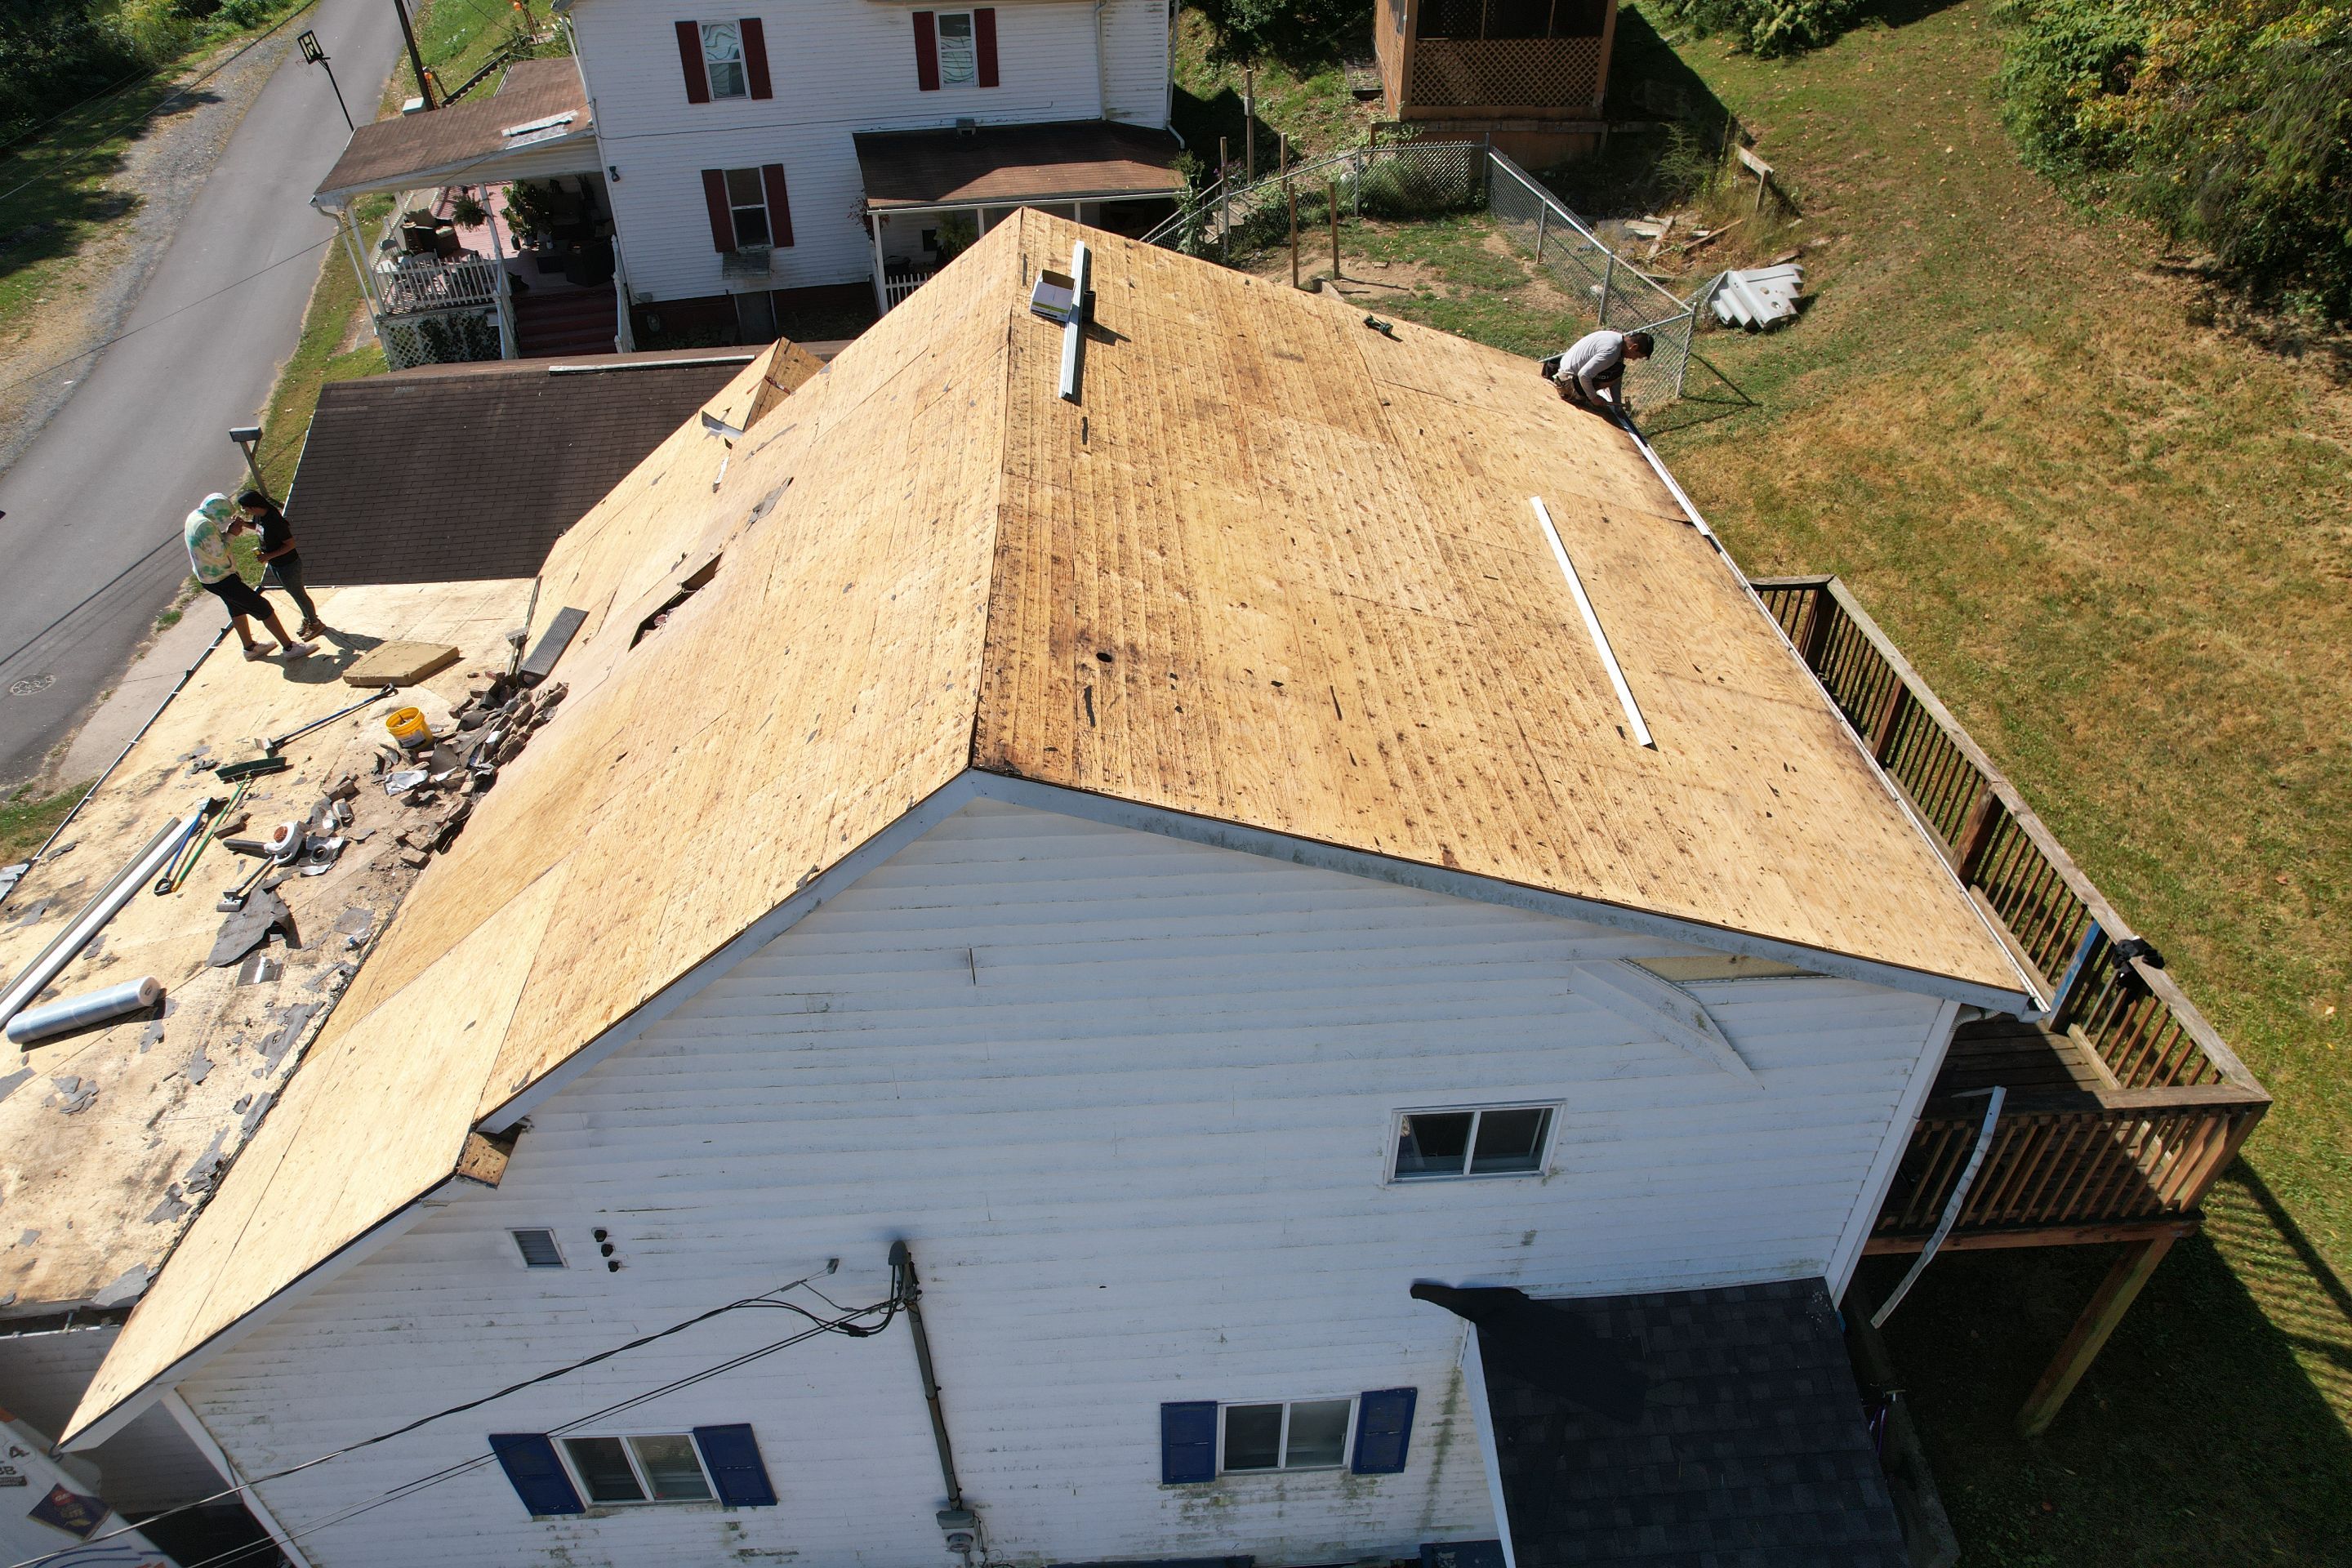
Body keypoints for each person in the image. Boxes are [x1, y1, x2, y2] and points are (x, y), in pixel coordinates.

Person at [182, 493, 313, 662]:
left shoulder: (195, 516)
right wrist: (232, 534)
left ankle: (250, 648)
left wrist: (228, 533)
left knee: (236, 608)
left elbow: (209, 544)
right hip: (222, 579)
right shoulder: (205, 525)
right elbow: (219, 552)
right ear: (217, 513)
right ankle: (289, 648)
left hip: (209, 578)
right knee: (263, 607)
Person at [238, 490, 326, 639]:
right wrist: (245, 524)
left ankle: (316, 624)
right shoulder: (259, 516)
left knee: (299, 595)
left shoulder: (274, 521)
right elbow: (258, 528)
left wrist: (268, 556)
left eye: (244, 508)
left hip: (289, 565)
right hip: (276, 564)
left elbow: (290, 544)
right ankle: (308, 618)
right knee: (294, 593)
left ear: (253, 506)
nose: (244, 511)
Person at [1545, 328, 1653, 421]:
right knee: (1616, 371)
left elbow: (1617, 379)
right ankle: (1578, 395)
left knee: (1617, 369)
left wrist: (1617, 405)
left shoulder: (1615, 338)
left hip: (1560, 369)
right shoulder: (1612, 351)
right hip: (1566, 381)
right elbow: (1584, 375)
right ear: (1633, 347)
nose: (1634, 359)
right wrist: (1594, 398)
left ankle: (1584, 392)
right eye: (1637, 356)